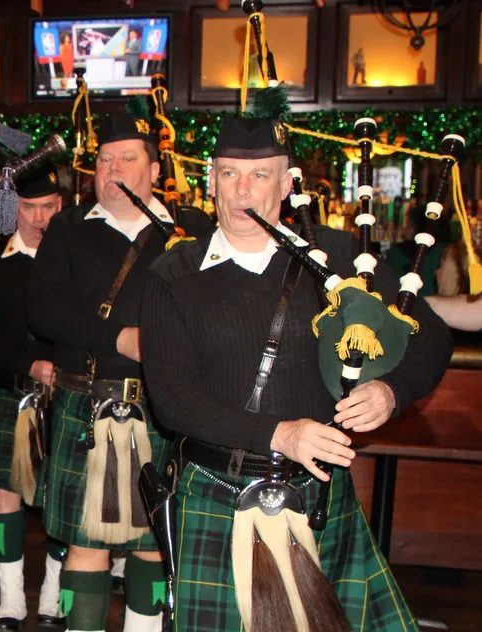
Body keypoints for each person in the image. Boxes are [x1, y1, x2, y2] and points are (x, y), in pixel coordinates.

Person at [140, 116, 453, 631]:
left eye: (260, 175)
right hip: (215, 490)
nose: (242, 190)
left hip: (318, 495)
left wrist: (390, 391)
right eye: (228, 174)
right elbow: (172, 400)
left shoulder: (345, 257)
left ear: (287, 184)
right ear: (210, 180)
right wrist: (281, 433)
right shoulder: (174, 273)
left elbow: (432, 337)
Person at [28, 113, 214, 632]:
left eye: (127, 159)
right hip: (86, 402)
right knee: (85, 544)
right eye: (104, 160)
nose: (112, 169)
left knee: (156, 544)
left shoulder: (190, 230)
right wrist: (120, 339)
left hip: (164, 406)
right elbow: (43, 310)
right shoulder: (68, 227)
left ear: (154, 169)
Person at [0, 165, 66, 630]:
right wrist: (29, 366)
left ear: (61, 206)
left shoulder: (76, 259)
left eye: (49, 207)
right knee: (6, 497)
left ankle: (51, 595)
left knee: (63, 501)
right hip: (14, 391)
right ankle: (10, 602)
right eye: (28, 207)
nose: (39, 218)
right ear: (13, 208)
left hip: (67, 398)